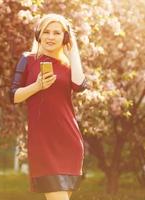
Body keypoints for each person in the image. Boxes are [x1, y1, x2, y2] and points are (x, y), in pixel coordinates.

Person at [10, 13, 88, 200]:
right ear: (39, 35)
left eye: (57, 33)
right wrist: (37, 86)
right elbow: (13, 96)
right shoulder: (27, 60)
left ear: (65, 38)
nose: (51, 37)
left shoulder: (68, 64)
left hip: (69, 141)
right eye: (46, 32)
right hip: (42, 142)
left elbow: (80, 86)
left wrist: (74, 49)